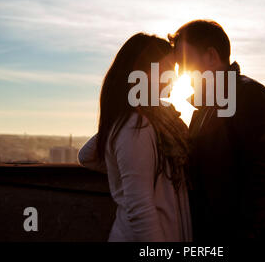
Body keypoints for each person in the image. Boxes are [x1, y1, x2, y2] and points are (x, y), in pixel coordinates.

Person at [169, 20, 265, 241]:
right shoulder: (205, 107)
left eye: (185, 60)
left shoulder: (250, 96)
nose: (180, 71)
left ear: (211, 56)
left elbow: (262, 181)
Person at [78, 33, 192, 242]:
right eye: (167, 70)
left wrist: (130, 170)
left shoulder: (146, 119)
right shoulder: (136, 126)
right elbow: (141, 210)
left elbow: (87, 155)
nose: (173, 78)